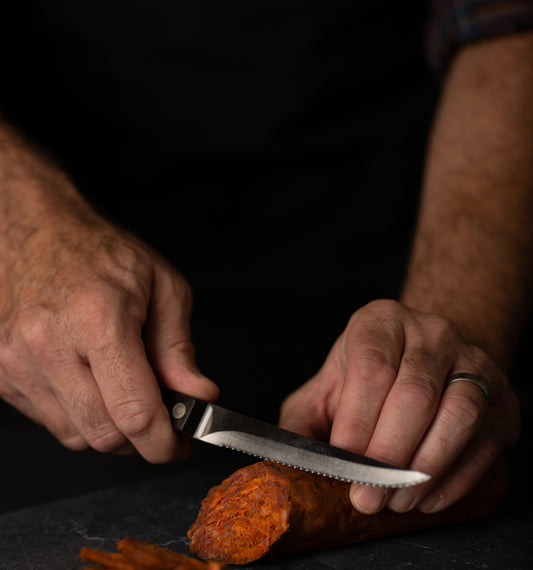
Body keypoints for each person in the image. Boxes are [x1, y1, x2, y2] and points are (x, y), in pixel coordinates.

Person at [0, 2, 532, 516]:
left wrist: (444, 344)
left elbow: (507, 24)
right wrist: (21, 229)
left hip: (394, 231)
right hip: (53, 340)